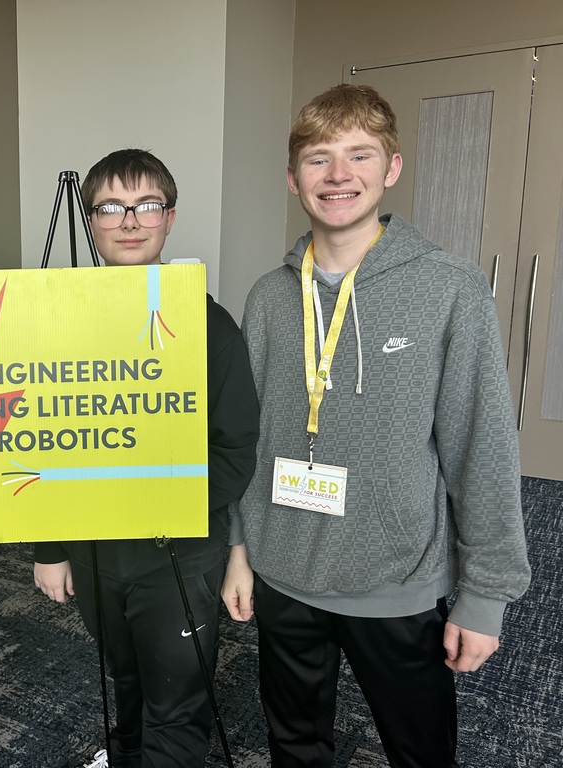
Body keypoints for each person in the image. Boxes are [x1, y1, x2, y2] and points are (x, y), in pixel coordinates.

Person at [222, 84, 531, 767]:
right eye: (318, 158)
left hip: (396, 577)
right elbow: (248, 438)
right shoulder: (269, 297)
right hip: (281, 569)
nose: (338, 174)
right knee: (294, 745)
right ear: (293, 177)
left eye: (359, 155)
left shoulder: (449, 288)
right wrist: (239, 549)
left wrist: (486, 594)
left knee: (420, 751)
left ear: (391, 168)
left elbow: (481, 446)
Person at [33, 149, 259, 768]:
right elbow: (40, 438)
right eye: (111, 207)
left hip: (177, 553)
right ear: (90, 220)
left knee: (176, 698)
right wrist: (49, 546)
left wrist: (159, 500)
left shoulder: (209, 326)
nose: (130, 221)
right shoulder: (55, 323)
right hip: (93, 548)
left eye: (146, 205)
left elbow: (236, 451)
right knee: (125, 677)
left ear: (170, 218)